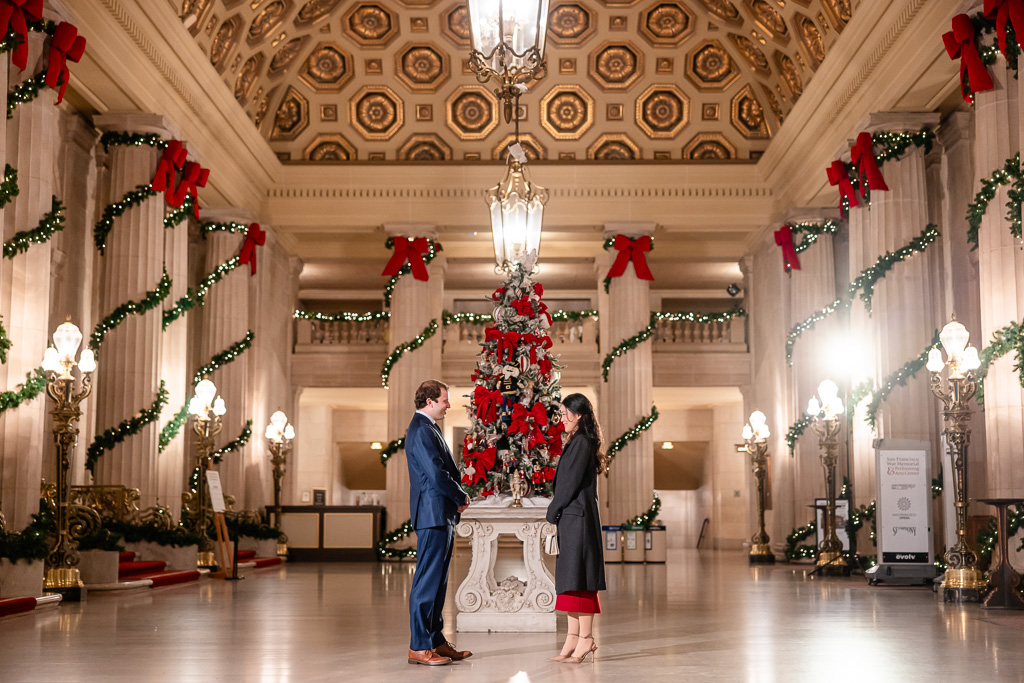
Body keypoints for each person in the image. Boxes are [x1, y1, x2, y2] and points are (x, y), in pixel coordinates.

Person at [405, 379, 472, 666]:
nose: (448, 404)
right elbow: (435, 472)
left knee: (439, 583)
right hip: (432, 514)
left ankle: (435, 640)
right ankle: (419, 646)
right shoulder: (421, 429)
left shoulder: (429, 427)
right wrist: (460, 495)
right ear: (429, 401)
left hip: (439, 513)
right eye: (445, 399)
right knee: (427, 582)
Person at [545, 393, 607, 664]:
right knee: (571, 580)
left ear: (578, 415)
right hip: (572, 518)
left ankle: (586, 639)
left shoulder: (581, 441)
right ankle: (572, 637)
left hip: (578, 518)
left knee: (581, 580)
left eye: (565, 413)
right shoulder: (577, 440)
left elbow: (568, 483)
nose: (561, 418)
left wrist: (552, 510)